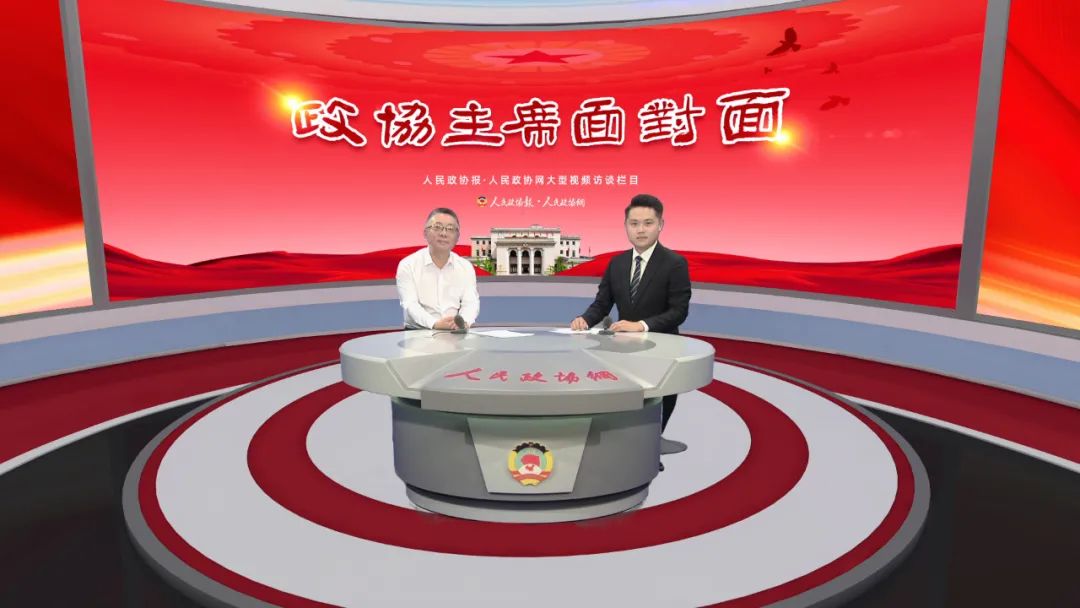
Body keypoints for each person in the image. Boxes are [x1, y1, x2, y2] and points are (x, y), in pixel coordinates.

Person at [571, 194, 691, 469]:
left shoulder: (674, 263)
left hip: (662, 349)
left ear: (660, 225)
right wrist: (584, 320)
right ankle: (626, 449)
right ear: (626, 226)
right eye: (634, 223)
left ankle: (650, 450)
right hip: (623, 349)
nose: (640, 229)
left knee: (657, 401)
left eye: (648, 223)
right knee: (625, 400)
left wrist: (642, 325)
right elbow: (602, 303)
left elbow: (679, 311)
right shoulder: (617, 263)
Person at [396, 207, 479, 330]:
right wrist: (435, 324)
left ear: (457, 237)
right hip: (418, 332)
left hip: (455, 332)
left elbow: (470, 303)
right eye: (437, 227)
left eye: (450, 229)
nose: (444, 234)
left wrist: (463, 322)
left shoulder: (466, 267)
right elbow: (410, 304)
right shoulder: (408, 265)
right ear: (425, 233)